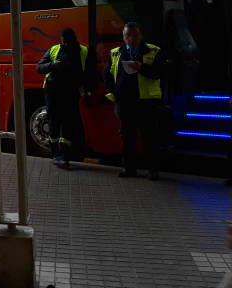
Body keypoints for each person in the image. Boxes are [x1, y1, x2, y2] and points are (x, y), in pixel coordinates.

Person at [103, 21, 165, 180]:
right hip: (125, 102)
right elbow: (107, 75)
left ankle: (153, 170)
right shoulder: (115, 52)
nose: (131, 39)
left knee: (150, 137)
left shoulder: (153, 50)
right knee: (127, 137)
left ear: (140, 35)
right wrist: (114, 92)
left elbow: (160, 73)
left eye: (134, 35)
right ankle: (129, 168)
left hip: (146, 102)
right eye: (127, 35)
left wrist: (141, 67)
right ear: (123, 37)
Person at [36, 28, 88, 170]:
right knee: (54, 122)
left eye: (67, 42)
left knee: (68, 124)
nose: (64, 44)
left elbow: (89, 73)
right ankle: (56, 155)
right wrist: (53, 65)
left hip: (71, 92)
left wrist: (88, 92)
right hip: (53, 92)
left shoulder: (83, 51)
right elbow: (39, 67)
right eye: (63, 41)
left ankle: (65, 156)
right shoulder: (54, 49)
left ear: (74, 39)